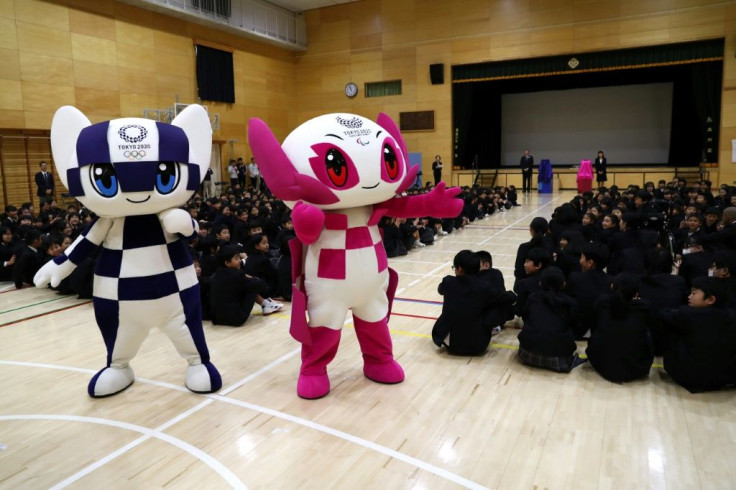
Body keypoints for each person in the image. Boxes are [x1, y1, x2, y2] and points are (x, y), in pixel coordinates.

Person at [432, 250, 516, 355]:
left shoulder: (448, 282)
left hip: (450, 344)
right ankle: (494, 328)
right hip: (478, 346)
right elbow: (511, 298)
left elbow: (440, 290)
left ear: (460, 268)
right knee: (498, 304)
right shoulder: (484, 286)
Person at [660, 277, 736, 393]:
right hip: (723, 378)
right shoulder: (731, 315)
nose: (689, 296)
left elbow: (662, 314)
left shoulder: (688, 314)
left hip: (689, 377)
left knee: (671, 326)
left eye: (694, 293)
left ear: (710, 299)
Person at [586, 273, 654, 383]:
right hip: (635, 368)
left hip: (602, 363)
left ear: (612, 287)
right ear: (636, 294)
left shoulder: (602, 302)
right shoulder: (644, 307)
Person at [517, 267, 584, 373]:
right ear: (563, 284)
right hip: (558, 358)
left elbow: (525, 316)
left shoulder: (533, 297)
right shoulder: (570, 302)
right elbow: (577, 325)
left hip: (527, 354)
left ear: (540, 283)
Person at [209, 245, 283, 326]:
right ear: (227, 263)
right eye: (236, 258)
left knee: (245, 286)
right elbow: (262, 286)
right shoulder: (237, 275)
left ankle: (266, 303)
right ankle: (265, 304)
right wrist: (250, 277)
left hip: (217, 318)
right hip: (236, 319)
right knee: (252, 287)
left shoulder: (217, 274)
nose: (240, 261)